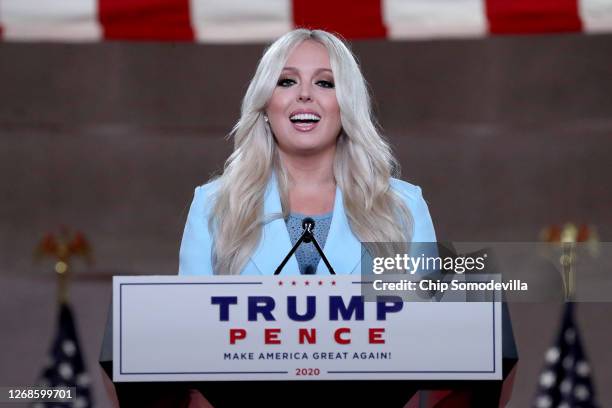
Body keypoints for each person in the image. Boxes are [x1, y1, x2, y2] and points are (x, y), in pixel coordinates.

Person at [179, 28, 435, 277]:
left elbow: (431, 319)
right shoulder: (211, 206)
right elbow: (189, 317)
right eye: (287, 81)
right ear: (265, 104)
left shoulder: (405, 207)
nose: (304, 94)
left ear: (346, 105)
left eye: (324, 83)